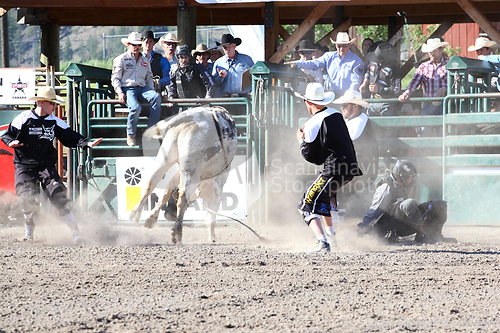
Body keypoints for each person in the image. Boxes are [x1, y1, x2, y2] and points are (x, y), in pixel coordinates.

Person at [1, 86, 103, 243]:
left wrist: (87, 143)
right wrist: (11, 142)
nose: (55, 107)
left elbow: (71, 136)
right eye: (52, 103)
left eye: (55, 104)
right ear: (41, 103)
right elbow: (7, 134)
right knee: (25, 198)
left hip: (46, 165)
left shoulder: (55, 122)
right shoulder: (23, 118)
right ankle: (29, 230)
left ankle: (75, 232)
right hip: (24, 165)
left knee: (58, 194)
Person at [296, 82, 363, 252]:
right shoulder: (335, 114)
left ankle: (322, 241)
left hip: (334, 169)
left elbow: (311, 157)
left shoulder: (312, 123)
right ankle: (332, 238)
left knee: (305, 204)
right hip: (349, 168)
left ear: (308, 102)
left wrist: (300, 140)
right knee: (324, 200)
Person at [357, 160, 456, 243]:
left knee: (440, 205)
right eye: (409, 177)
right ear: (401, 177)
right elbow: (374, 210)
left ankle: (435, 236)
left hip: (406, 222)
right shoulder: (386, 188)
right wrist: (362, 228)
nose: (412, 179)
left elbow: (412, 209)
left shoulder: (410, 185)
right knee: (409, 203)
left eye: (413, 176)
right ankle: (422, 235)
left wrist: (426, 215)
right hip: (391, 226)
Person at [333, 90, 379, 220]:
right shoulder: (354, 120)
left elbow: (342, 140)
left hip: (364, 170)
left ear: (355, 106)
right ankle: (337, 222)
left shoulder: (360, 120)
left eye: (345, 105)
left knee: (334, 185)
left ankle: (337, 223)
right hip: (356, 168)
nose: (342, 108)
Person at [111, 32, 161, 147]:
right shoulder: (121, 59)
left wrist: (151, 91)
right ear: (128, 44)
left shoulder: (144, 60)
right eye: (134, 44)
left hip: (142, 88)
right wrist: (120, 92)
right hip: (128, 89)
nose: (136, 47)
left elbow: (149, 77)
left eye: (138, 44)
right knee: (135, 107)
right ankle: (131, 134)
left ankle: (152, 130)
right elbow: (115, 78)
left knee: (156, 97)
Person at [287, 32, 364, 98]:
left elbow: (356, 82)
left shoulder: (356, 61)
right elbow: (314, 63)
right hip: (332, 96)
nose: (341, 49)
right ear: (336, 45)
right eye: (339, 46)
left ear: (349, 45)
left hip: (347, 98)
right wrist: (297, 63)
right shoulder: (329, 56)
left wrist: (348, 97)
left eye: (344, 46)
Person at [399, 38, 449, 135]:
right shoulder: (423, 66)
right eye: (430, 51)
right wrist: (406, 93)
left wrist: (446, 87)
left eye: (434, 51)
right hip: (428, 104)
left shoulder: (449, 65)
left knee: (443, 131)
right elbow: (414, 82)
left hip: (444, 104)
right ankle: (426, 149)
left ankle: (442, 150)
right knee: (425, 131)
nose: (431, 54)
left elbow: (457, 81)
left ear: (441, 50)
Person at [359, 41, 402, 117]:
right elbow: (368, 73)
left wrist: (380, 89)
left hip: (387, 102)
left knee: (387, 126)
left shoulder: (394, 70)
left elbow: (397, 89)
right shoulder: (372, 64)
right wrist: (364, 84)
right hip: (373, 100)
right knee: (371, 124)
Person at [212, 33, 255, 98]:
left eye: (229, 46)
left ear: (234, 46)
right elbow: (214, 84)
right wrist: (220, 77)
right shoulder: (218, 63)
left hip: (244, 99)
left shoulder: (246, 59)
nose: (227, 49)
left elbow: (256, 77)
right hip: (226, 99)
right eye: (225, 47)